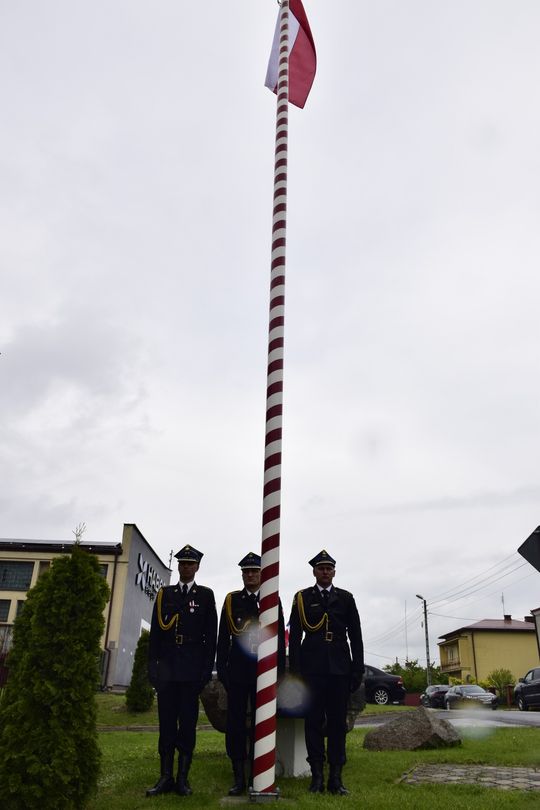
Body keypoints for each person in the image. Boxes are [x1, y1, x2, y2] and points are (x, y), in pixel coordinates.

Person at [288, 550, 364, 795]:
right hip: (312, 670)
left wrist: (357, 669)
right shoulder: (302, 598)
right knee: (312, 723)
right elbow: (295, 636)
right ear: (314, 571)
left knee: (337, 725)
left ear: (334, 572)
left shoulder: (346, 598)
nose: (325, 572)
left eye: (329, 568)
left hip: (339, 669)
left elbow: (356, 636)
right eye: (321, 568)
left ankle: (336, 778)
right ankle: (317, 777)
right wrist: (295, 671)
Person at [146, 544, 217, 797]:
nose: (186, 567)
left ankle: (183, 779)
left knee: (187, 725)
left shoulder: (206, 596)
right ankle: (165, 776)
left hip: (191, 671)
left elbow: (211, 638)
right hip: (167, 671)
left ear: (197, 567)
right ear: (179, 566)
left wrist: (206, 672)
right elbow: (155, 633)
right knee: (166, 724)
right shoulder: (165, 594)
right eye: (182, 563)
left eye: (191, 563)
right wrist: (151, 666)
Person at [216, 552, 286, 796]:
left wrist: (279, 675)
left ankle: (259, 774)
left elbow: (279, 642)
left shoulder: (272, 600)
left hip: (264, 674)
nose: (250, 575)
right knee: (235, 725)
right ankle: (238, 777)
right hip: (237, 673)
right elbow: (223, 639)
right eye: (246, 571)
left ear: (262, 574)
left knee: (261, 725)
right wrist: (222, 670)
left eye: (254, 571)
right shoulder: (232, 601)